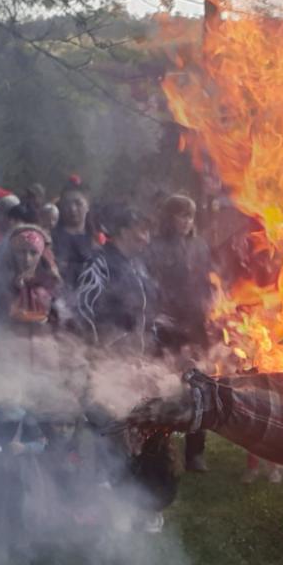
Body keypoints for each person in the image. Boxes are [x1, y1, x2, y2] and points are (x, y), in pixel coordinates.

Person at [146, 194, 215, 472]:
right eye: (181, 215)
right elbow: (150, 284)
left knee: (199, 387)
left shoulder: (199, 245)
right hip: (167, 325)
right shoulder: (155, 247)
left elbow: (209, 279)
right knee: (163, 385)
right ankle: (158, 447)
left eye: (190, 216)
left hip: (196, 324)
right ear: (168, 217)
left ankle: (195, 451)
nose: (186, 221)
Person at [75, 203, 156, 353]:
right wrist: (97, 348)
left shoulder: (139, 264)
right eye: (143, 231)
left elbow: (146, 311)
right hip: (109, 359)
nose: (147, 239)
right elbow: (84, 309)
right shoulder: (99, 263)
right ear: (124, 232)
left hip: (139, 358)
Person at [0, 223, 60, 341]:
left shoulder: (50, 284)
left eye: (33, 253)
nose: (27, 259)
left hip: (43, 345)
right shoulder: (0, 283)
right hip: (10, 344)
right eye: (21, 252)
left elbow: (59, 319)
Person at [53, 181, 99, 285]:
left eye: (78, 203)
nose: (72, 209)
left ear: (88, 206)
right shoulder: (51, 239)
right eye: (67, 203)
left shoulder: (96, 240)